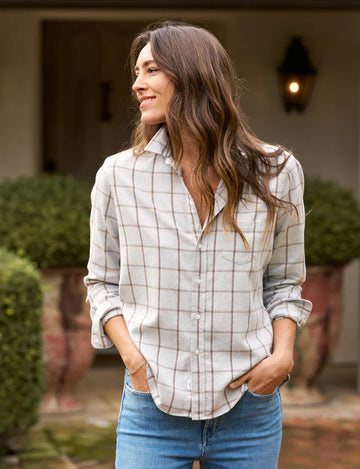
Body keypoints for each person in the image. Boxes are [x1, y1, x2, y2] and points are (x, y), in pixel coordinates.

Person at [84, 21, 312, 469]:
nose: (136, 84)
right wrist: (134, 362)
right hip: (152, 409)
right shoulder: (118, 176)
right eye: (136, 72)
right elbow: (101, 283)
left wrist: (283, 356)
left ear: (191, 75)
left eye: (150, 70)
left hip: (250, 409)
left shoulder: (277, 171)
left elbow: (285, 281)